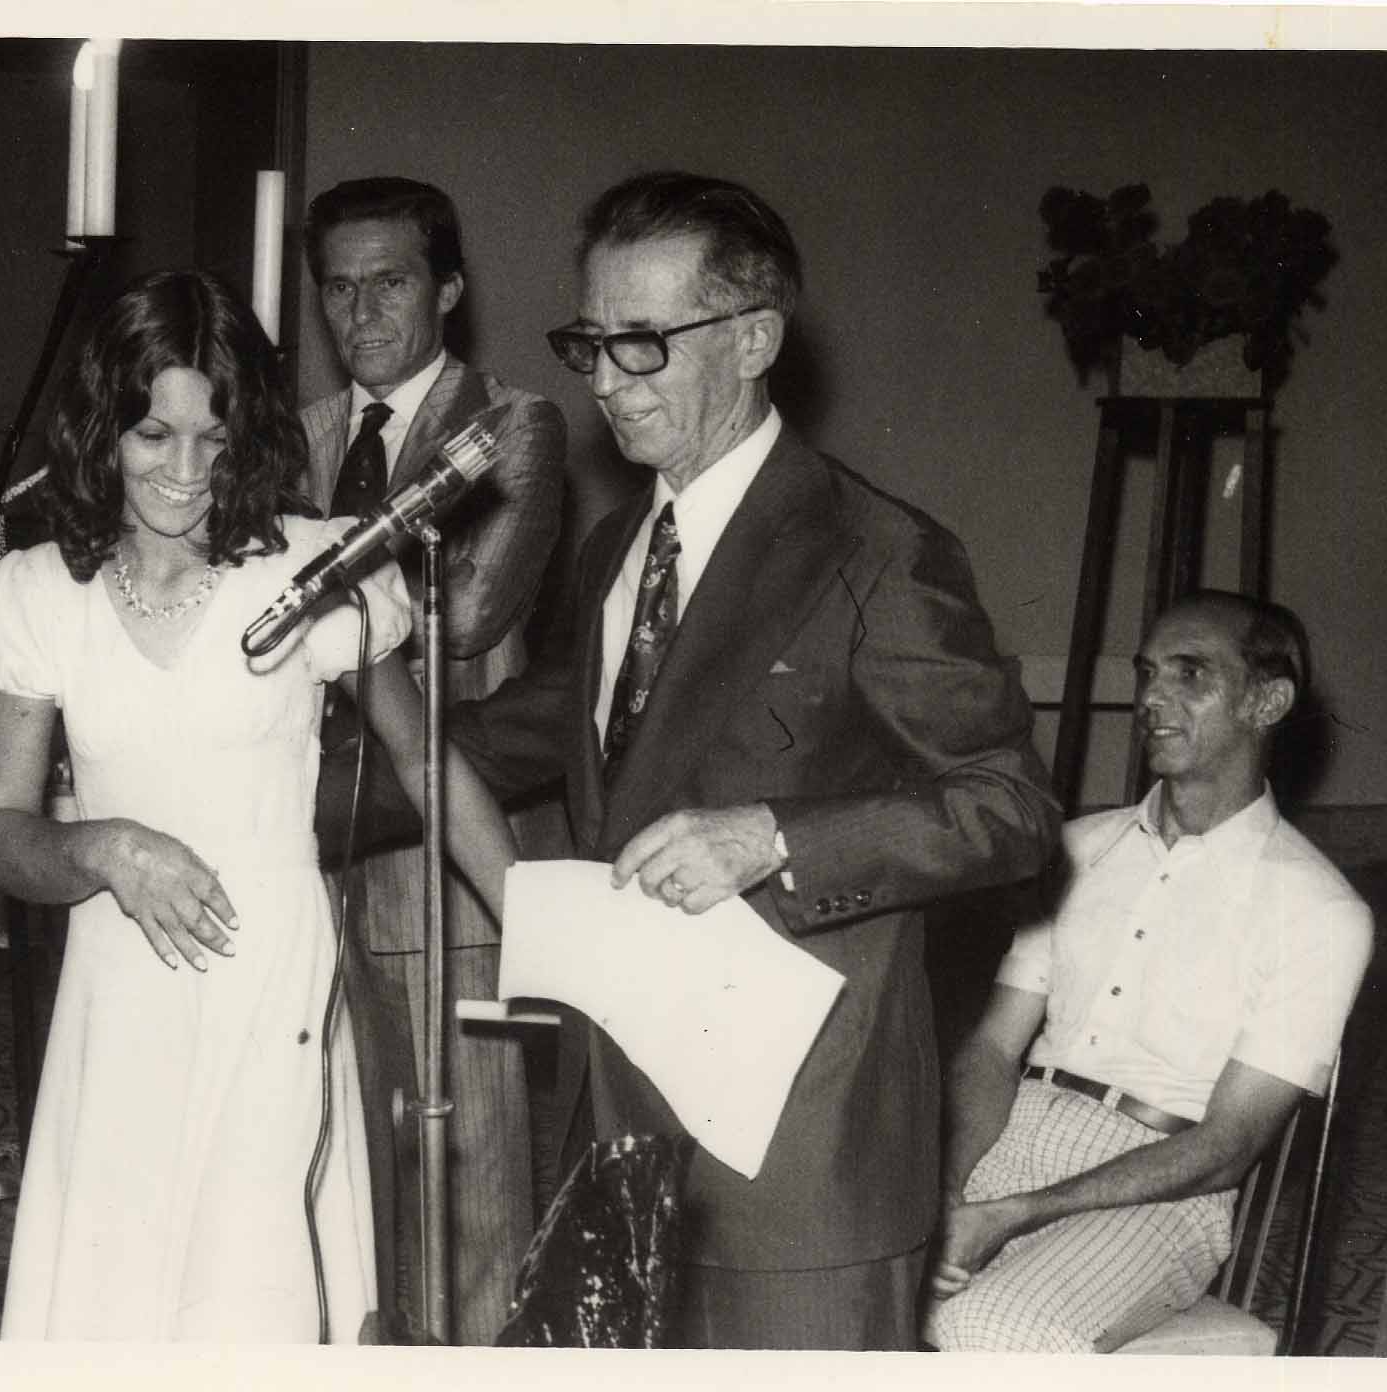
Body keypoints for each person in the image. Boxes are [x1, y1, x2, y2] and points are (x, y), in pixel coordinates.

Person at [401, 170, 1063, 1349]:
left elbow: (1010, 807)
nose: (605, 381)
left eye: (642, 343)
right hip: (623, 1119)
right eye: (589, 343)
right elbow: (529, 732)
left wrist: (774, 838)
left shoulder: (877, 550)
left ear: (755, 339)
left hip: (803, 1155)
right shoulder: (619, 545)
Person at [0, 269, 517, 1343]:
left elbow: (422, 761)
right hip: (120, 994)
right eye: (153, 436)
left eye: (214, 441)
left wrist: (538, 925)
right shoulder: (37, 591)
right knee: (119, 1299)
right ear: (101, 429)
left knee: (253, 1294)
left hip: (273, 983)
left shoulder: (311, 567)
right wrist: (105, 849)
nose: (185, 473)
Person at [924, 591, 1372, 1353]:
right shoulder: (1074, 849)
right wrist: (949, 1187)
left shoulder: (1318, 909)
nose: (1151, 699)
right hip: (1006, 1135)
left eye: (1189, 674)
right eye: (1146, 673)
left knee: (988, 1325)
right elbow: (994, 1048)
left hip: (1159, 1191)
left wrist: (1014, 1214)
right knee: (837, 1274)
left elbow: (1227, 1145)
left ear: (1265, 702)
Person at [300, 176, 568, 1344]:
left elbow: (462, 609)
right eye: (339, 288)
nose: (362, 312)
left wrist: (303, 605)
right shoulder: (301, 435)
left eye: (391, 282)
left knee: (472, 1181)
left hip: (450, 863)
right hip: (317, 853)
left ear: (449, 290)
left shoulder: (510, 427)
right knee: (350, 1173)